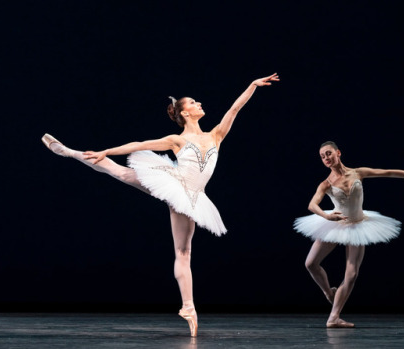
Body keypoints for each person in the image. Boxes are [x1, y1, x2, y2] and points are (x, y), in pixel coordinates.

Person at [41, 73, 279, 337]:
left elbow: (235, 108)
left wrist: (252, 85)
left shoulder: (216, 135)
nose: (199, 103)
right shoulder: (176, 140)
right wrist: (107, 150)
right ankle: (70, 152)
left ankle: (188, 307)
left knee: (184, 252)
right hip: (172, 182)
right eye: (193, 102)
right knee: (119, 172)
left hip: (193, 196)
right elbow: (139, 144)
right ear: (185, 113)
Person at [293, 141, 404, 328]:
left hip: (358, 225)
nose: (326, 158)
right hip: (335, 224)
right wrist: (326, 216)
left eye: (328, 154)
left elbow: (387, 172)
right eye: (322, 156)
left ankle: (333, 317)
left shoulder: (358, 172)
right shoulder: (325, 184)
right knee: (310, 263)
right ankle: (329, 293)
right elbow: (312, 205)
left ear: (338, 153)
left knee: (351, 274)